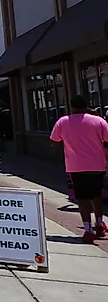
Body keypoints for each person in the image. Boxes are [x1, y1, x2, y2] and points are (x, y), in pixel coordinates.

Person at [50, 94, 108, 244]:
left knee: (82, 198)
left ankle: (88, 230)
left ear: (71, 106)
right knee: (97, 195)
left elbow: (53, 141)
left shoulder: (63, 122)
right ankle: (100, 224)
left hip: (76, 166)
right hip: (98, 164)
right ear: (87, 105)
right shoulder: (99, 121)